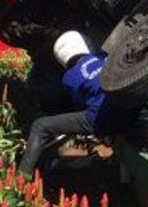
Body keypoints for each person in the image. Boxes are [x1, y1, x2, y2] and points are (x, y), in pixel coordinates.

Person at [17, 31, 138, 177]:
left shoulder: (69, 77)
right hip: (131, 109)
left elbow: (81, 105)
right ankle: (123, 176)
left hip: (102, 119)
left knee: (40, 125)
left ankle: (22, 176)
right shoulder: (103, 58)